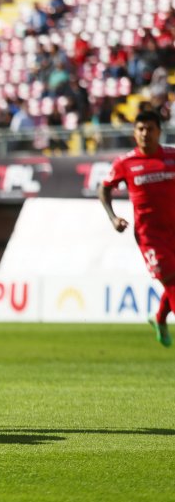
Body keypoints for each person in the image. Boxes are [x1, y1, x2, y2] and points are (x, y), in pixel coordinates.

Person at [98, 109, 175, 347]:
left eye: (150, 129)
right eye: (140, 129)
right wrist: (113, 218)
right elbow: (104, 188)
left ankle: (159, 318)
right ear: (134, 133)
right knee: (171, 278)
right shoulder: (126, 163)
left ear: (159, 132)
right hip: (150, 236)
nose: (145, 134)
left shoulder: (172, 157)